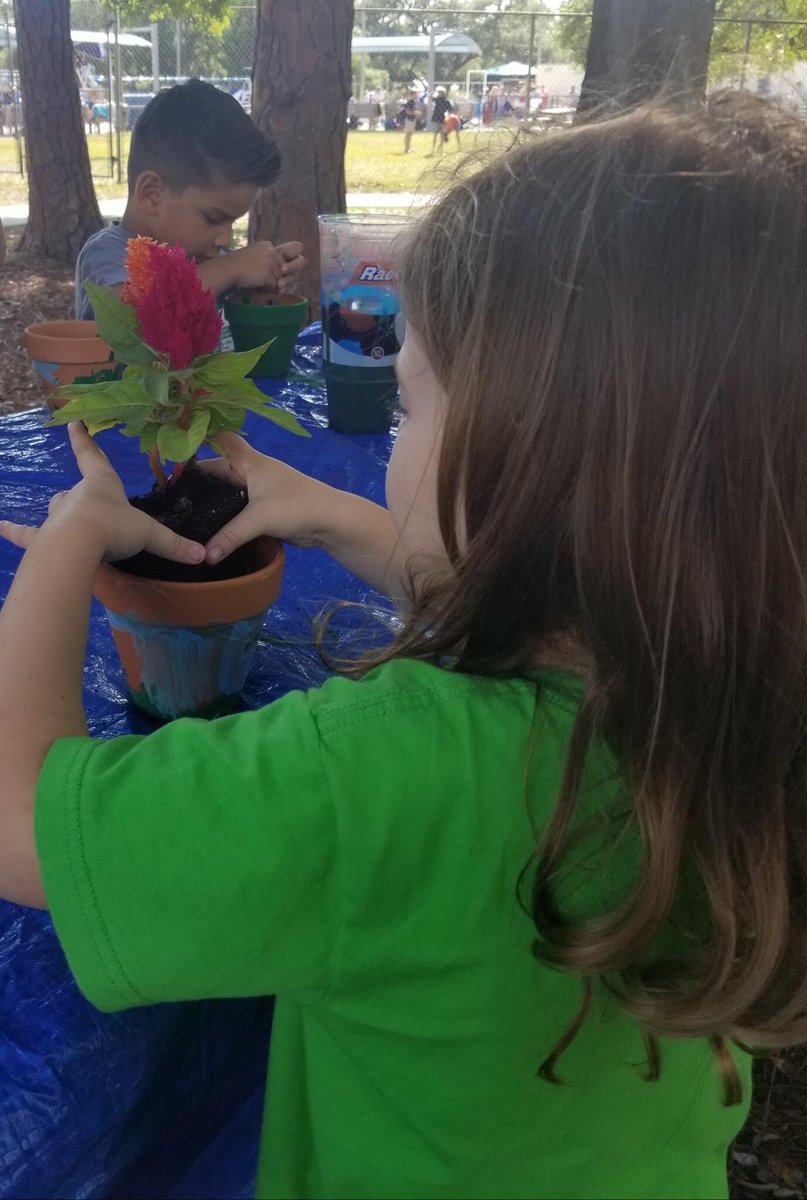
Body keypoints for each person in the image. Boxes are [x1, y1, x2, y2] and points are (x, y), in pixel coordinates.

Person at [1, 91, 805, 1198]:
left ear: (530, 466)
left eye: (412, 408)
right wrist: (336, 517)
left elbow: (25, 828)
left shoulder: (386, 773)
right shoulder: (743, 709)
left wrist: (63, 548)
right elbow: (553, 605)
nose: (393, 437)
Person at [74, 79, 305, 331]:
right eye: (214, 219)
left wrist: (264, 282)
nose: (224, 239)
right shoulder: (107, 255)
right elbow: (132, 318)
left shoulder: (205, 262)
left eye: (233, 222)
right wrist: (230, 268)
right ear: (152, 194)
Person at [426, 85, 452, 156]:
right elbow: (430, 97)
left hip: (442, 119)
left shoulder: (445, 101)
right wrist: (434, 91)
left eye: (440, 92)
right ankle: (434, 150)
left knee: (441, 135)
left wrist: (434, 91)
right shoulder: (438, 100)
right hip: (437, 119)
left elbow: (449, 111)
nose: (439, 94)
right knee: (438, 135)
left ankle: (439, 151)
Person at [401, 86, 419, 154]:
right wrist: (415, 113)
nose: (417, 95)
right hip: (409, 120)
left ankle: (409, 147)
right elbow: (407, 112)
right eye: (415, 94)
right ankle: (406, 149)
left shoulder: (413, 102)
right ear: (412, 95)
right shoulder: (410, 102)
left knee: (410, 134)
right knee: (408, 134)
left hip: (412, 119)